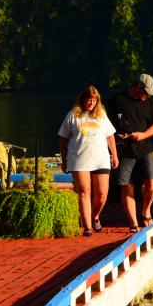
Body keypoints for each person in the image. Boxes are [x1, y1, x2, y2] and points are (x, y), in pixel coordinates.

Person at [57, 85, 119, 236]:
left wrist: (115, 155)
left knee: (102, 193)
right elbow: (63, 138)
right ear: (82, 100)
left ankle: (95, 216)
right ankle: (87, 227)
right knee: (84, 191)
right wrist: (64, 160)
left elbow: (110, 135)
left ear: (97, 101)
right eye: (88, 100)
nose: (90, 103)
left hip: (101, 158)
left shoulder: (101, 115)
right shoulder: (73, 116)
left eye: (93, 100)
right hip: (79, 159)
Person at [107, 73, 153, 233]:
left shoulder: (150, 102)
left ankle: (146, 210)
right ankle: (133, 223)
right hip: (124, 149)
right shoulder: (117, 100)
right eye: (146, 92)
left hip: (145, 147)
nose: (147, 95)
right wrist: (118, 135)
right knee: (126, 185)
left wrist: (142, 135)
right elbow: (108, 124)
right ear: (137, 87)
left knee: (151, 184)